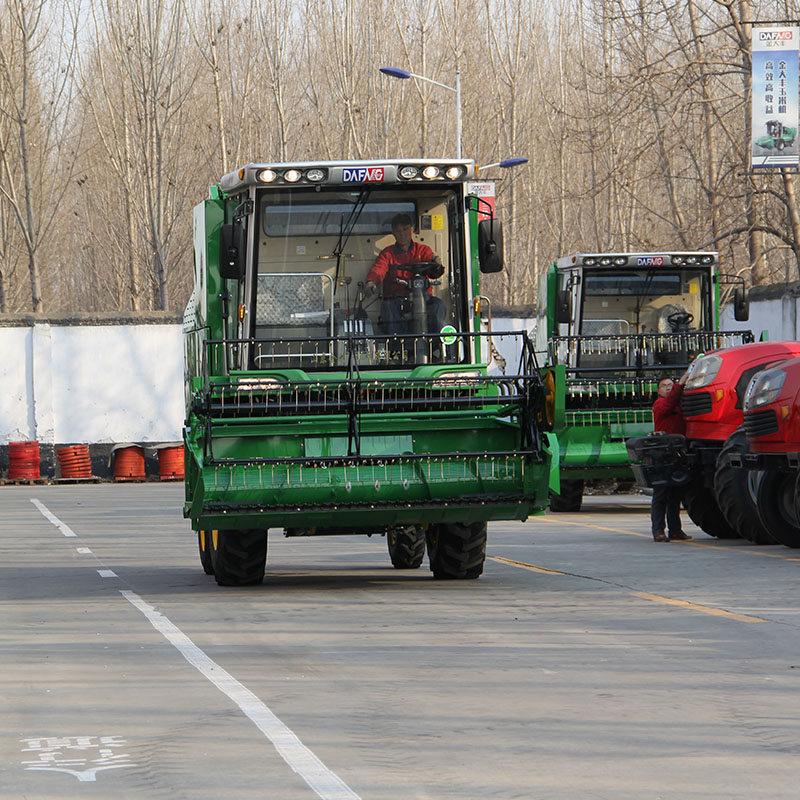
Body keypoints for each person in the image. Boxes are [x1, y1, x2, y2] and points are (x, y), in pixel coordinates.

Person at [364, 214, 447, 335]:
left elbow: (432, 266)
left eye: (405, 229)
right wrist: (371, 282)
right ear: (393, 233)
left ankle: (434, 343)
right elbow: (379, 268)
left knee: (439, 305)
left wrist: (436, 265)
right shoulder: (388, 253)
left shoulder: (422, 250)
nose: (402, 234)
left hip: (423, 297)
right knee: (388, 308)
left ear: (412, 230)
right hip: (396, 299)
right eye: (398, 231)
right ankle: (396, 348)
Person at [650, 372, 693, 542]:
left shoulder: (678, 406)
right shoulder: (660, 405)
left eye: (670, 385)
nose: (668, 388)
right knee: (661, 493)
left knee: (676, 494)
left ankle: (675, 530)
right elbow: (669, 404)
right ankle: (658, 530)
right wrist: (680, 384)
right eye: (664, 386)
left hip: (678, 452)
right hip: (663, 453)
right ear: (658, 391)